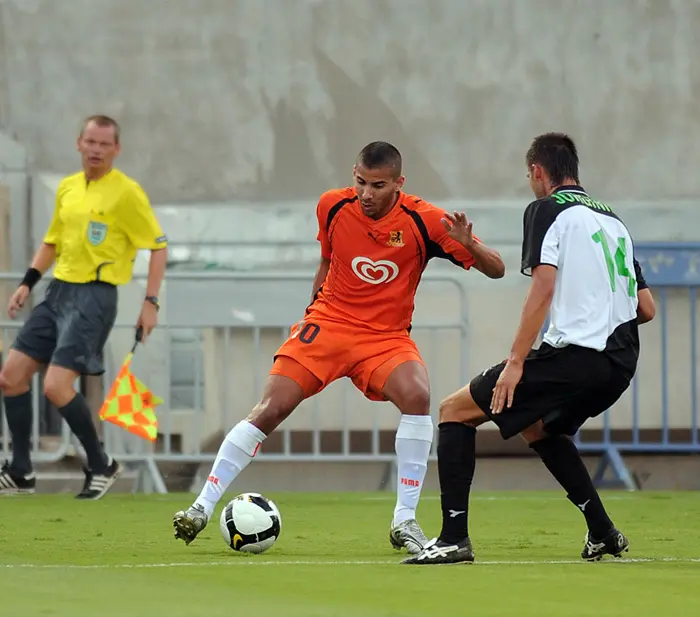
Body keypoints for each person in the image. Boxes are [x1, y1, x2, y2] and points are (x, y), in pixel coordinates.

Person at [173, 141, 505, 553]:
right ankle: (200, 508)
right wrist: (314, 309)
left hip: (384, 337)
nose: (367, 194)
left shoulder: (427, 221)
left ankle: (405, 520)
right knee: (271, 407)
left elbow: (498, 270)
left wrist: (469, 244)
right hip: (329, 325)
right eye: (361, 182)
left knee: (417, 396)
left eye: (378, 185)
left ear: (399, 183)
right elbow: (328, 259)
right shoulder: (332, 205)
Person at [403, 132, 656, 565]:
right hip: (620, 362)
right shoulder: (614, 221)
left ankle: (452, 538)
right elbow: (646, 308)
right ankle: (603, 532)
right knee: (539, 428)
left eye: (529, 176)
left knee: (454, 411)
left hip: (576, 356)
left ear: (538, 172)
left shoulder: (546, 209)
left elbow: (543, 283)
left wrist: (516, 361)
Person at [0, 115, 168, 499]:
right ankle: (22, 471)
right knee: (11, 376)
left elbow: (158, 247)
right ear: (79, 143)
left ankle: (101, 464)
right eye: (90, 142)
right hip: (58, 291)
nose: (96, 150)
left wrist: (150, 303)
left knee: (57, 386)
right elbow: (52, 241)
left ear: (116, 150)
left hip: (95, 296)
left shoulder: (127, 193)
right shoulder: (68, 188)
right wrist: (27, 284)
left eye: (104, 144)